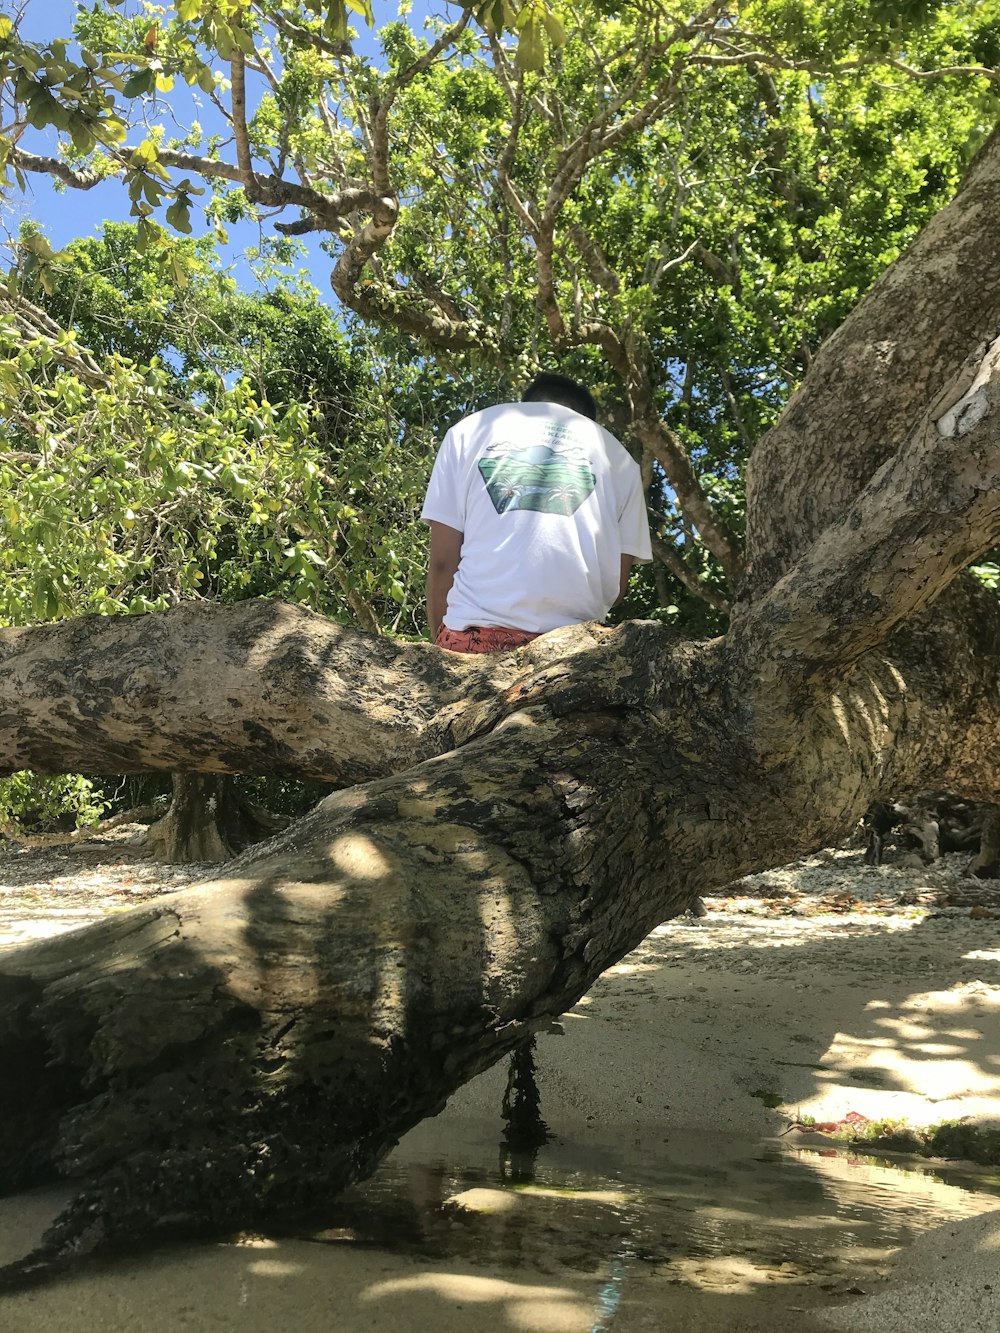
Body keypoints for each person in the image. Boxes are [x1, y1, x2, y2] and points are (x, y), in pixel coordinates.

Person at [422, 372, 651, 653]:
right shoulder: (621, 460)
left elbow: (443, 563)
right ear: (589, 421)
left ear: (527, 403)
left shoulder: (467, 431)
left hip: (471, 637)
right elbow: (617, 585)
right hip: (575, 652)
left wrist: (439, 652)